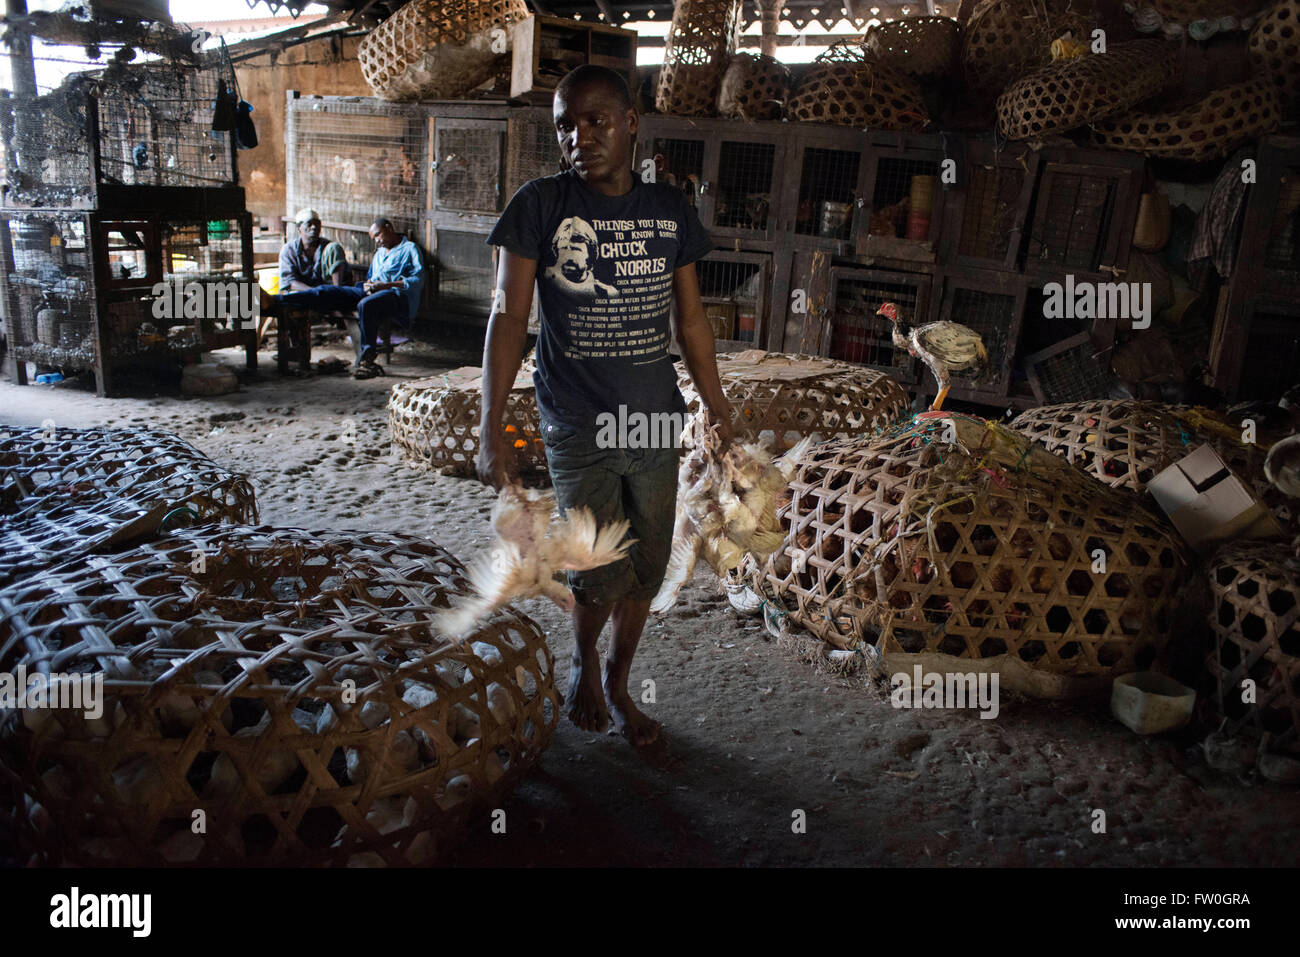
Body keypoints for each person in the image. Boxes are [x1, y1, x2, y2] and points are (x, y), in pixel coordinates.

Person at [478, 64, 733, 746]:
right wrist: (490, 422)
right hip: (577, 421)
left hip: (654, 420)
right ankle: (585, 663)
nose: (579, 137)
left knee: (646, 568)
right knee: (597, 566)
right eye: (565, 124)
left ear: (630, 123)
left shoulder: (670, 210)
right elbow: (508, 317)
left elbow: (692, 321)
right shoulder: (540, 206)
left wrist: (716, 404)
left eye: (595, 121)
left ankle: (619, 682)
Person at [277, 217, 424, 378]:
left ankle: (367, 362)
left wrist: (385, 285)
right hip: (374, 292)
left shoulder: (410, 249)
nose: (376, 241)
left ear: (388, 228)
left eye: (377, 235)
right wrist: (370, 284)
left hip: (397, 296)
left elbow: (417, 280)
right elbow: (371, 277)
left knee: (366, 304)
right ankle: (278, 300)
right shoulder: (380, 253)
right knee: (328, 291)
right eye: (374, 238)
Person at [278, 208, 349, 291]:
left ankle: (338, 292)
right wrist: (314, 292)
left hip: (326, 292)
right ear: (299, 228)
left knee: (334, 247)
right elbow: (289, 282)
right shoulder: (289, 250)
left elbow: (346, 276)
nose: (314, 227)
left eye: (317, 224)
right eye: (309, 224)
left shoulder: (329, 248)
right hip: (301, 293)